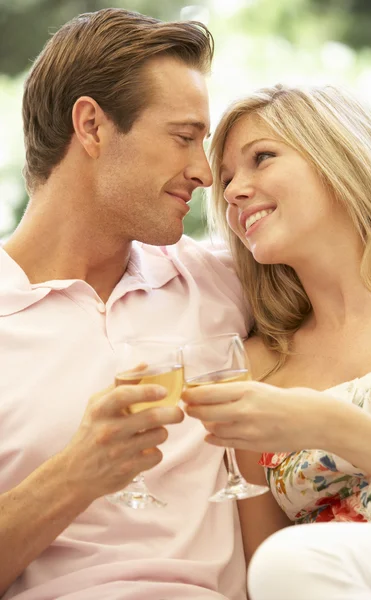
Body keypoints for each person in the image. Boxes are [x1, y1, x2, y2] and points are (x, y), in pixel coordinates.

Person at [0, 8, 252, 599]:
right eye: (185, 138)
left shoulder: (219, 282)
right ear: (91, 126)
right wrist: (74, 476)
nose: (204, 173)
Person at [182, 84, 371, 599]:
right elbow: (266, 568)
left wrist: (329, 424)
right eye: (229, 179)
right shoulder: (255, 368)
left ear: (337, 157)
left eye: (262, 158)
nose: (234, 191)